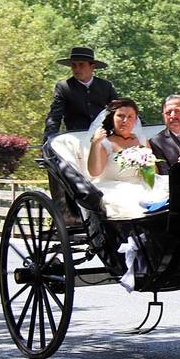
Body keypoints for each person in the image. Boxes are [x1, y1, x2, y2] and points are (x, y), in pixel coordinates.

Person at [43, 46, 119, 225]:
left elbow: (120, 110)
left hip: (103, 139)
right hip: (76, 141)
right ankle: (76, 214)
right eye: (74, 65)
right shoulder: (64, 87)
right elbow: (55, 116)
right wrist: (49, 141)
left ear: (92, 67)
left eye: (81, 65)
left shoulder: (105, 86)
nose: (77, 69)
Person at [87, 98, 167, 219]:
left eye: (130, 116)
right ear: (112, 117)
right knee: (131, 204)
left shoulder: (141, 140)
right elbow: (94, 172)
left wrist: (146, 166)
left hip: (142, 185)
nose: (125, 120)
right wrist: (95, 143)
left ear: (135, 119)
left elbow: (153, 171)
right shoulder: (105, 143)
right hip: (115, 187)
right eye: (120, 116)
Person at [149, 94, 180, 174]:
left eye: (177, 111)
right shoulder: (157, 142)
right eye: (168, 112)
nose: (172, 116)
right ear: (163, 116)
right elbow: (165, 174)